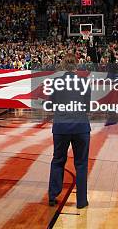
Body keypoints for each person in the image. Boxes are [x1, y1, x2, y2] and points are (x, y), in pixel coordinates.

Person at [48, 53, 91, 209]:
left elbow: (51, 104)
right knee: (81, 164)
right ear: (76, 65)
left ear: (63, 65)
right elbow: (87, 106)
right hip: (81, 126)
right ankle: (81, 201)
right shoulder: (84, 82)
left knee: (58, 160)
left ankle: (52, 196)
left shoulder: (56, 82)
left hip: (61, 126)